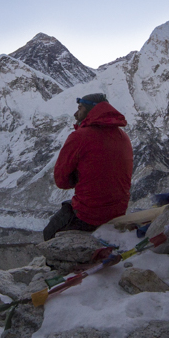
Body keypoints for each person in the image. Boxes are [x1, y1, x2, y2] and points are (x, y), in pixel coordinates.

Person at [43, 93, 133, 241]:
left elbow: (61, 181)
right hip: (118, 212)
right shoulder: (124, 137)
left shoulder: (79, 137)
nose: (75, 114)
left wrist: (76, 177)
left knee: (49, 232)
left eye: (80, 108)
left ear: (92, 110)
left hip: (89, 215)